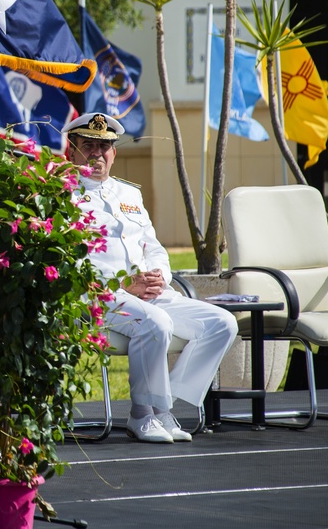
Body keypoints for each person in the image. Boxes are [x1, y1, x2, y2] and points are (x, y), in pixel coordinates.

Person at [63, 112, 238, 443]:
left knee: (222, 324)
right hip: (97, 294)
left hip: (149, 292)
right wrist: (125, 284)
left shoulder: (129, 195)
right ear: (71, 150)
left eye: (105, 147)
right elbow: (70, 260)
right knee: (155, 322)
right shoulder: (61, 196)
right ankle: (142, 414)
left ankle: (164, 406)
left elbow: (153, 246)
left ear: (114, 152)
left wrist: (159, 276)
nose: (97, 154)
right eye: (88, 146)